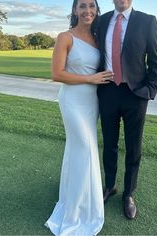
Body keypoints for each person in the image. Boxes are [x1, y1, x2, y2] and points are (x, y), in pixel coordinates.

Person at [44, 0, 114, 235]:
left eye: (91, 6)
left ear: (96, 10)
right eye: (82, 6)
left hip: (92, 102)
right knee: (85, 148)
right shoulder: (65, 37)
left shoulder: (97, 36)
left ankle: (76, 195)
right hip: (73, 101)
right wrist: (90, 79)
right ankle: (77, 210)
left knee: (79, 149)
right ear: (74, 10)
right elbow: (56, 74)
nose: (88, 11)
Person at [97, 0, 157, 219]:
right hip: (108, 92)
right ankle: (110, 186)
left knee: (134, 147)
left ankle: (128, 194)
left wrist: (149, 91)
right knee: (109, 144)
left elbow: (155, 62)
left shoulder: (147, 21)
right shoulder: (102, 20)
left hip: (135, 95)